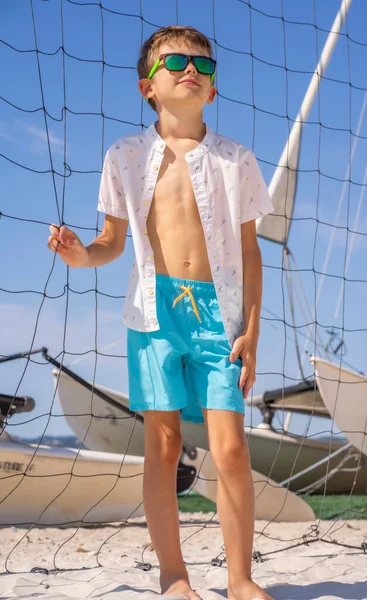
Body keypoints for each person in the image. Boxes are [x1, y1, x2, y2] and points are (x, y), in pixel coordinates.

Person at [47, 25, 275, 600]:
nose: (191, 69)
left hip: (216, 315)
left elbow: (250, 253)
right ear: (148, 86)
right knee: (164, 446)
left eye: (203, 64)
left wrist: (251, 329)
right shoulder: (125, 155)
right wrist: (80, 256)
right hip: (153, 314)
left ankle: (241, 579)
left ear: (214, 91)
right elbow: (111, 243)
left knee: (230, 447)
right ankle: (175, 577)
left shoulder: (236, 160)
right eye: (175, 61)